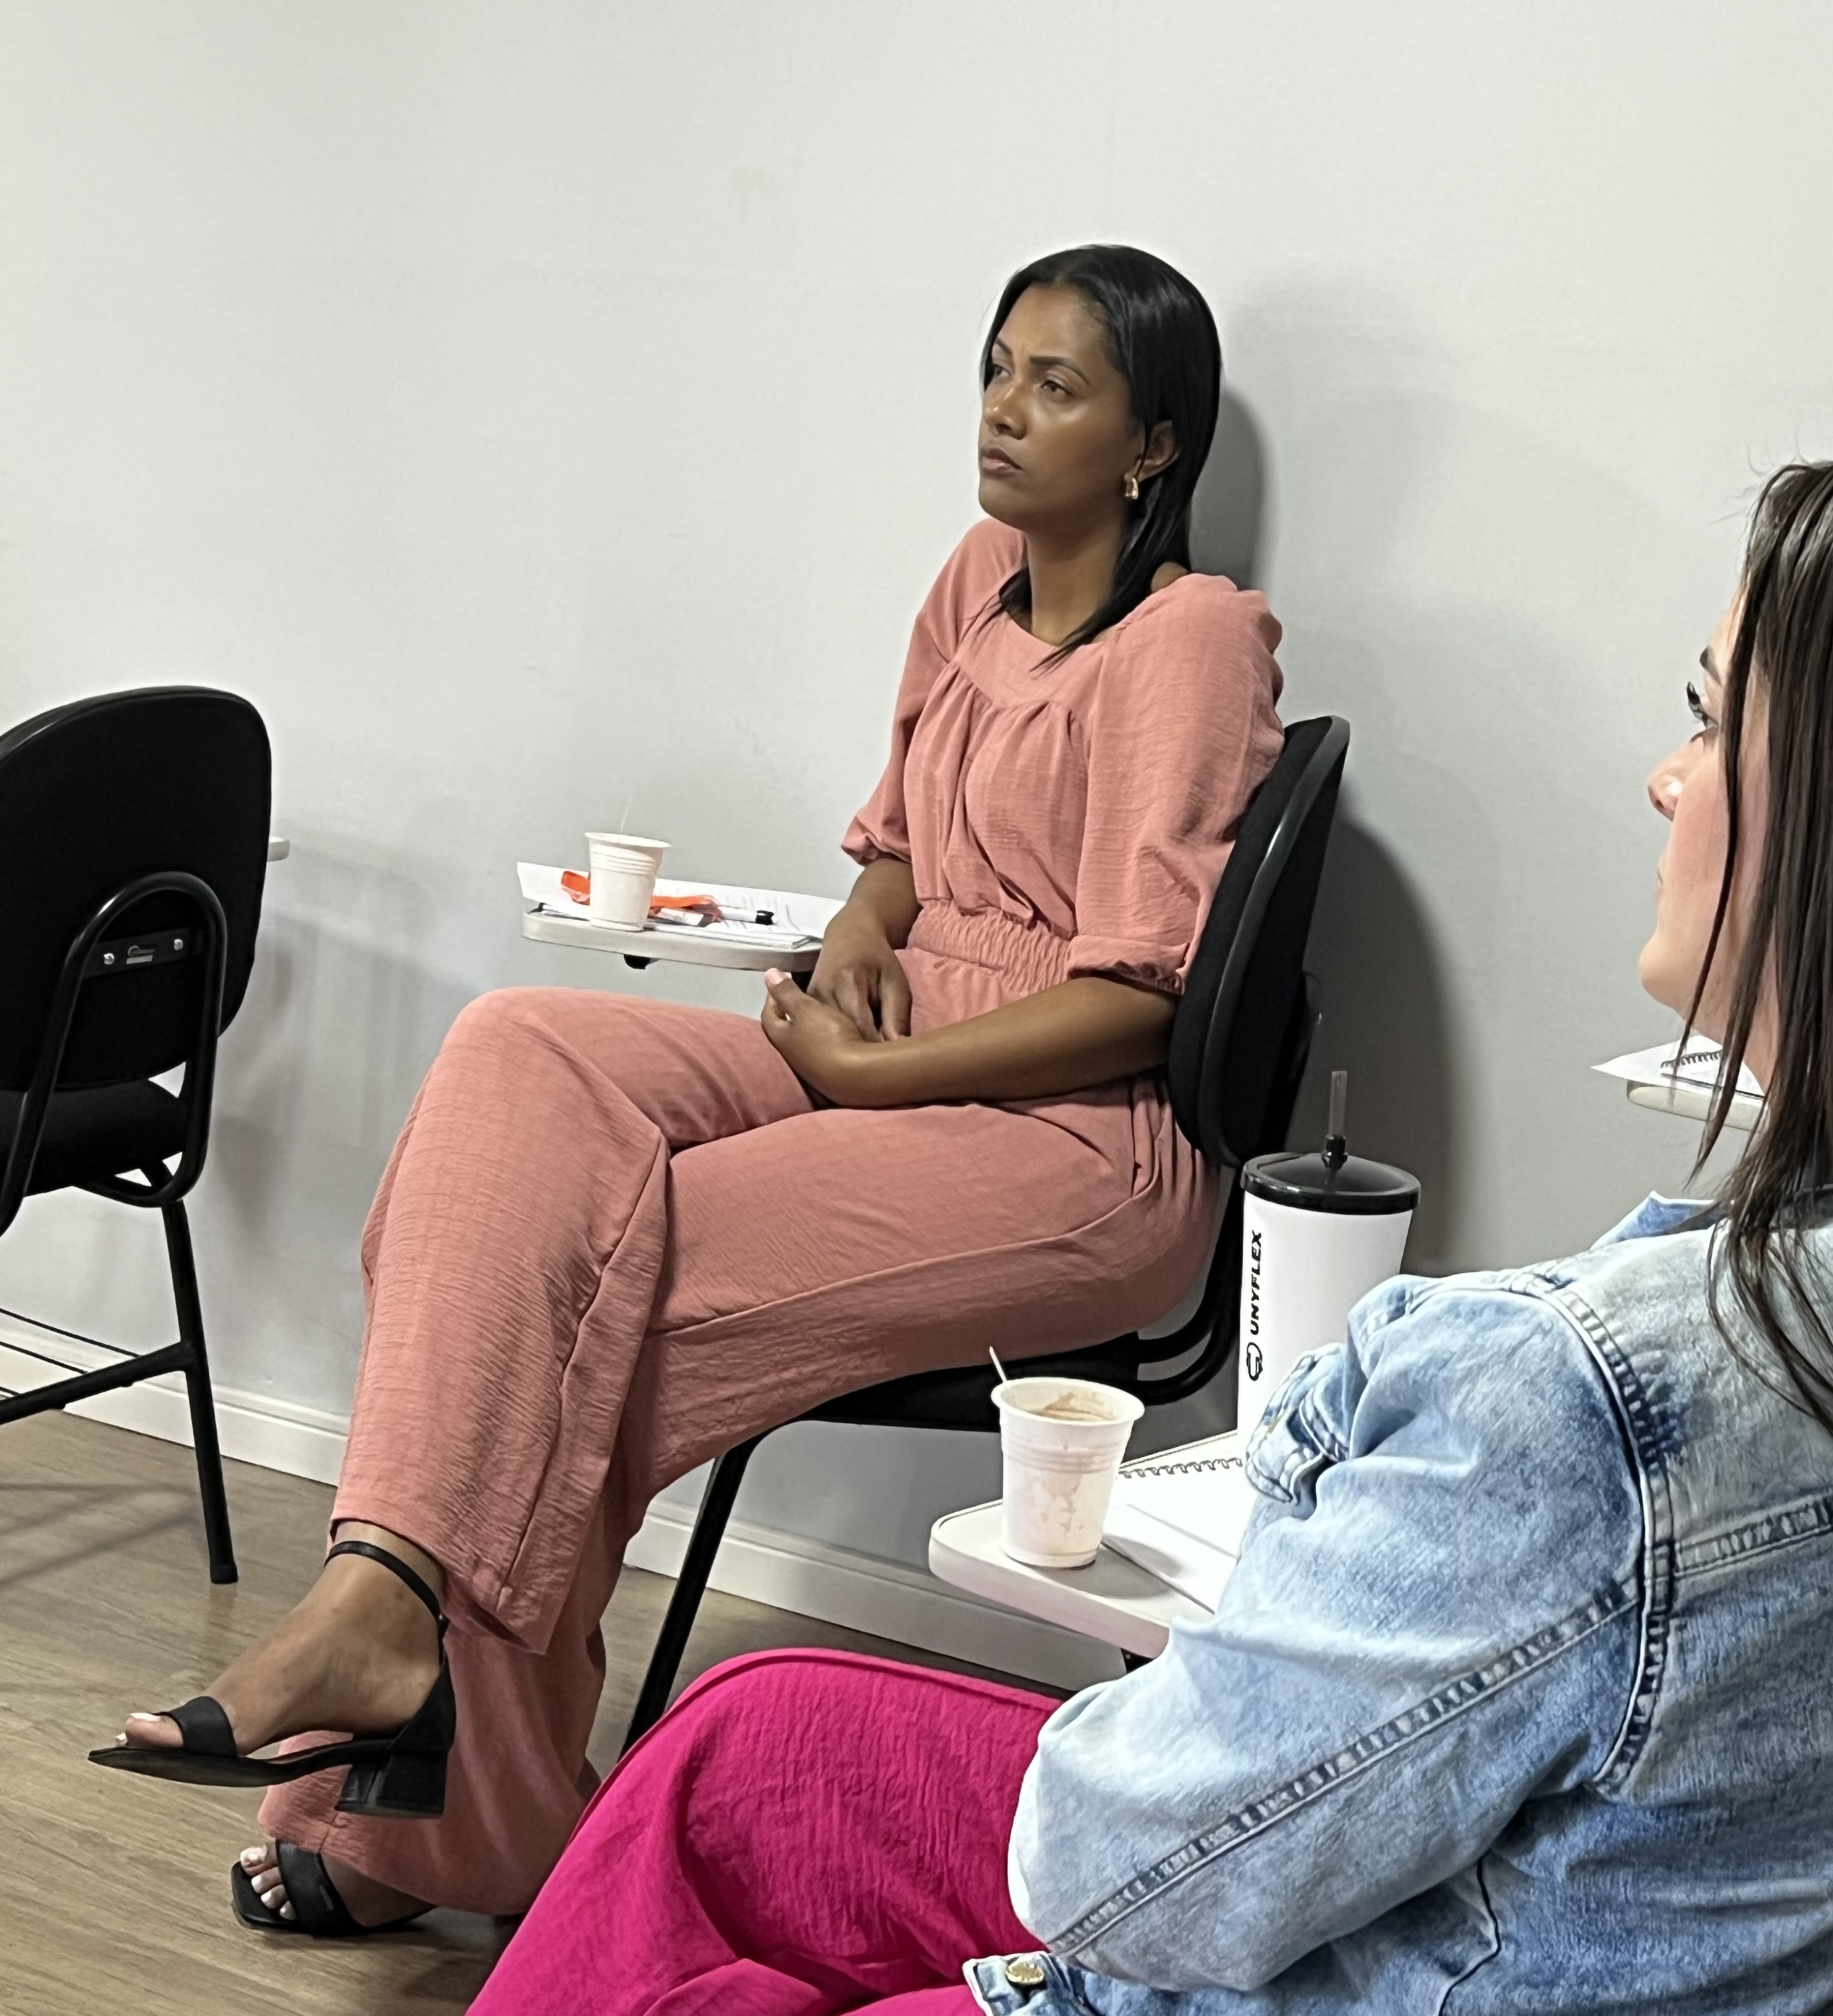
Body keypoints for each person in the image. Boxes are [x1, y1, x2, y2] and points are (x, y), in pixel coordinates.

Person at [482, 438, 1833, 2016]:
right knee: (750, 1736)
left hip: (1079, 1180)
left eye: (1708, 718)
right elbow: (886, 868)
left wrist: (1385, 1412)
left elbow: (1119, 1875)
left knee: (738, 1850)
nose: (1665, 776)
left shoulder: (1595, 1404)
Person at [90, 244, 1287, 1938]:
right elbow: (892, 853)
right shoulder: (976, 580)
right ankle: (383, 1606)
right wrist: (862, 943)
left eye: (1057, 385)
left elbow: (1141, 1001)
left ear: (1155, 442)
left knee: (595, 1296)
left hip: (1075, 1139)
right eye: (994, 369)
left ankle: (435, 1810)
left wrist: (873, 1069)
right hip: (887, 1052)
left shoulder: (1194, 639)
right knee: (516, 1056)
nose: (1003, 411)